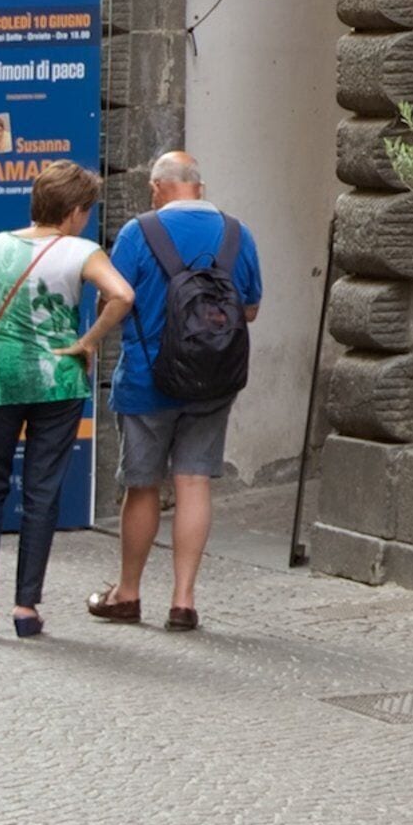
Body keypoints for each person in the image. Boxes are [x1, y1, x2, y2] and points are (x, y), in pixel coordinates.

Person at [0, 163, 132, 640]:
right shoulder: (81, 251)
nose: (85, 219)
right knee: (42, 491)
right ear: (73, 211)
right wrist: (88, 342)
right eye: (85, 211)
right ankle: (26, 607)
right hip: (58, 380)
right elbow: (121, 296)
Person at [87, 151, 258, 632]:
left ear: (157, 187)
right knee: (193, 482)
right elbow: (249, 309)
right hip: (213, 380)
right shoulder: (236, 233)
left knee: (142, 486)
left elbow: (113, 299)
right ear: (198, 188)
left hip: (147, 379)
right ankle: (183, 602)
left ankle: (128, 594)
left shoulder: (139, 232)